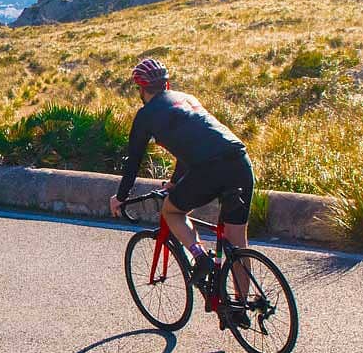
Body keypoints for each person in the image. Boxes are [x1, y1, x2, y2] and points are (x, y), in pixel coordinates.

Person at [109, 57, 256, 310]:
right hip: (240, 161)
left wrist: (121, 196)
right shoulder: (187, 98)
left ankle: (199, 257)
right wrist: (176, 183)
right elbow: (193, 145)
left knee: (172, 210)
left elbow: (133, 160)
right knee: (236, 240)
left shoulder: (146, 115)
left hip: (211, 169)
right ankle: (241, 306)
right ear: (167, 85)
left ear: (141, 90)